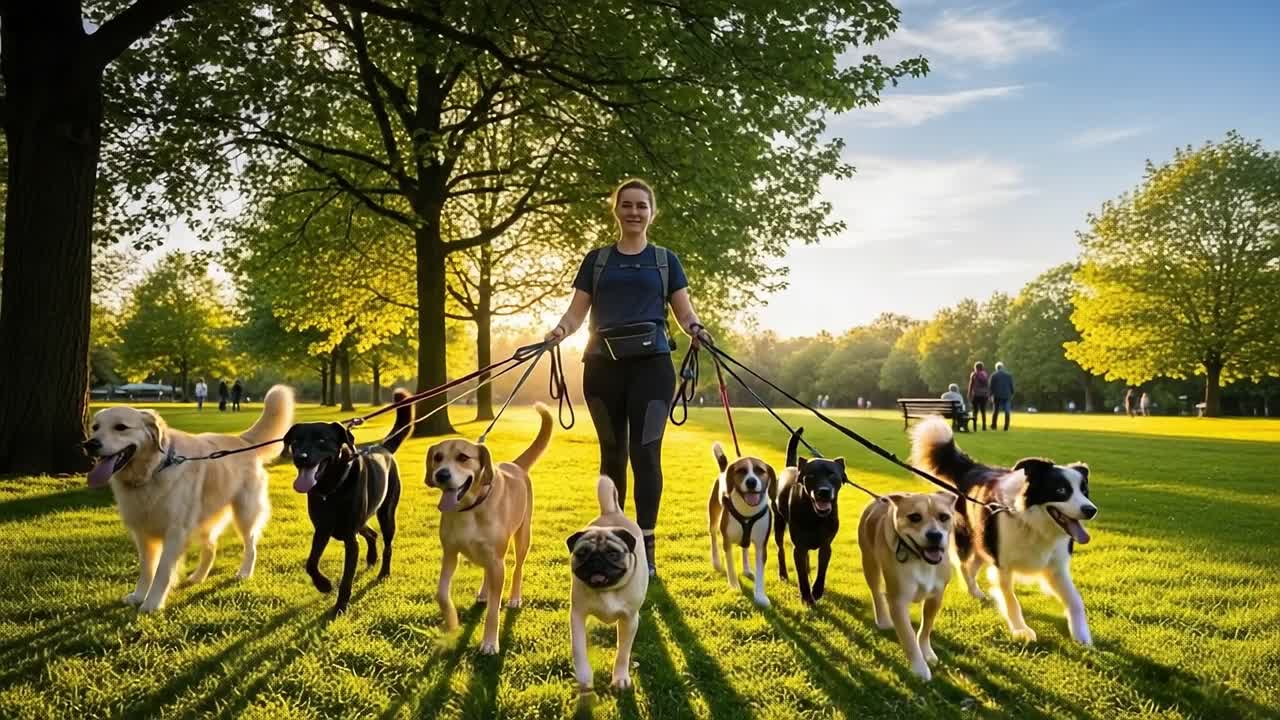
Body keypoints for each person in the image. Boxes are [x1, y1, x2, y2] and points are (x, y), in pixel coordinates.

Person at [545, 178, 711, 579]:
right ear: (615, 210)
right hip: (602, 368)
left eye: (641, 206)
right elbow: (576, 312)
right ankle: (616, 537)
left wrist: (696, 328)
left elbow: (683, 311)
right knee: (612, 454)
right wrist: (559, 332)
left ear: (652, 213)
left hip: (652, 369)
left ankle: (647, 545)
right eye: (627, 205)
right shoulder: (597, 260)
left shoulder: (665, 260)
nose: (634, 212)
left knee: (646, 455)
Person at [990, 361, 1015, 431]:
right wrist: (1012, 393)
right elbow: (1011, 385)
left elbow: (991, 387)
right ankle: (1006, 427)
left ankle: (994, 426)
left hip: (997, 395)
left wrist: (990, 395)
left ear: (996, 368)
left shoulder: (994, 375)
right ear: (1002, 367)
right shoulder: (1008, 375)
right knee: (1007, 411)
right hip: (1007, 395)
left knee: (995, 411)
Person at [967, 361, 990, 431]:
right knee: (983, 411)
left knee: (975, 411)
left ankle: (974, 427)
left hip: (976, 395)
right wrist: (988, 394)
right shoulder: (985, 374)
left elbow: (971, 385)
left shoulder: (974, 374)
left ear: (975, 367)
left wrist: (969, 394)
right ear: (982, 367)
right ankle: (984, 426)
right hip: (984, 395)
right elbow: (987, 385)